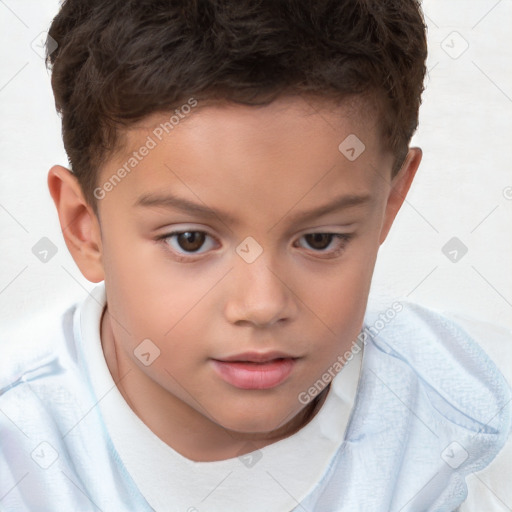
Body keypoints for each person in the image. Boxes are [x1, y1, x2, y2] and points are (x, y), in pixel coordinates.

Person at [1, 0, 510, 510]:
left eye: (320, 239)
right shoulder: (18, 451)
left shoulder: (478, 423)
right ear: (84, 228)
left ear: (389, 204)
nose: (263, 304)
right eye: (191, 241)